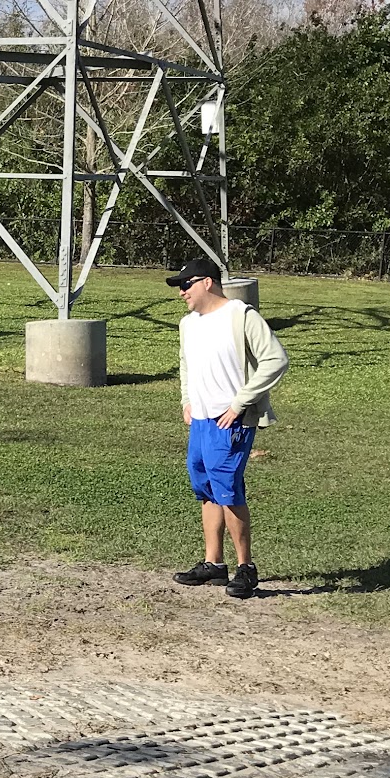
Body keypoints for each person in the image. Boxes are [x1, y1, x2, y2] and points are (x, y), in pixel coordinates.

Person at [167, 257, 288, 600]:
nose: (181, 293)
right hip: (201, 420)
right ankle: (213, 564)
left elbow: (276, 359)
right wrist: (187, 400)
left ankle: (246, 569)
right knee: (205, 486)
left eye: (185, 285)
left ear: (207, 282)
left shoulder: (241, 315)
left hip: (229, 420)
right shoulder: (188, 323)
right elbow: (186, 364)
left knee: (228, 489)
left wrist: (240, 404)